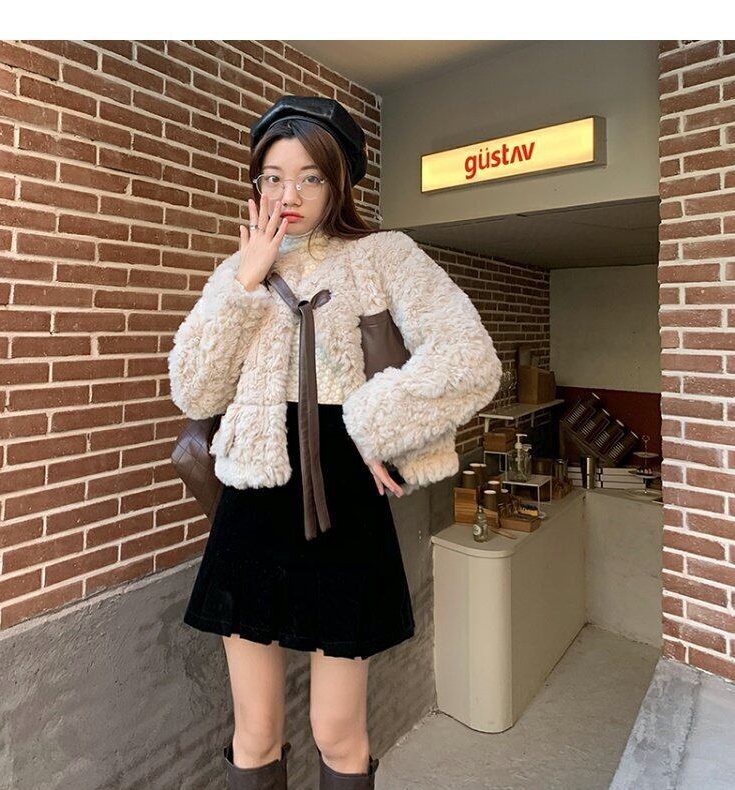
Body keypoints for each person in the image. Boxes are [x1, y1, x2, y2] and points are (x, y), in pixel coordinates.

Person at [168, 95, 502, 789]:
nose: (288, 195)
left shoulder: (383, 256)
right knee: (255, 732)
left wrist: (375, 422)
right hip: (254, 498)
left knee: (339, 733)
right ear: (256, 184)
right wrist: (245, 282)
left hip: (344, 500)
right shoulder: (237, 271)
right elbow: (195, 392)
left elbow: (470, 359)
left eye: (310, 177)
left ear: (339, 181)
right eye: (273, 177)